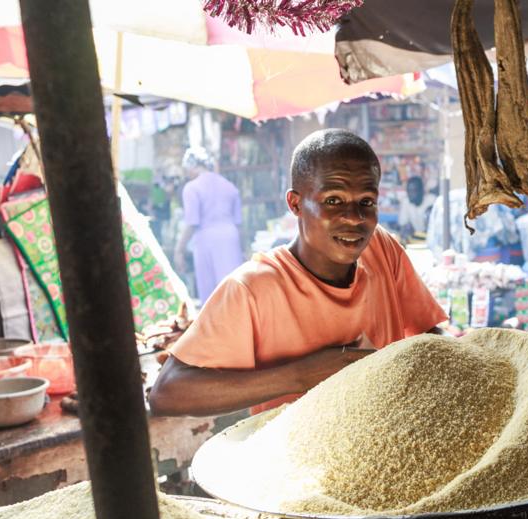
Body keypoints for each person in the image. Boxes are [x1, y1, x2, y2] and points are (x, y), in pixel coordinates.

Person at [150, 130, 448, 417]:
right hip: (298, 463)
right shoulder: (252, 289)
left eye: (366, 202)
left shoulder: (381, 247)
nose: (354, 219)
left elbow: (428, 336)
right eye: (333, 200)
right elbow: (167, 393)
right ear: (295, 204)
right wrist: (300, 376)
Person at [174, 147, 244, 303]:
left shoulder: (192, 188)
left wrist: (179, 249)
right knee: (234, 287)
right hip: (231, 238)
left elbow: (192, 223)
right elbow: (239, 224)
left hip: (207, 240)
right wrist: (244, 249)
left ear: (191, 167)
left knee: (211, 293)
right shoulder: (229, 186)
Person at [398, 176, 437, 240]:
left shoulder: (432, 201)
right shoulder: (406, 202)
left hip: (432, 238)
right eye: (408, 191)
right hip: (416, 240)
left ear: (421, 191)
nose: (410, 194)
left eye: (413, 191)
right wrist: (406, 228)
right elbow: (403, 224)